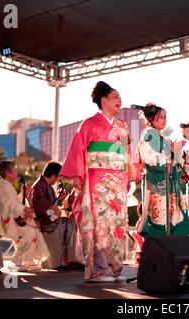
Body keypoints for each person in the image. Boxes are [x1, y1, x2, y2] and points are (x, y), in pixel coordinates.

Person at [59, 81, 140, 282]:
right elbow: (78, 149)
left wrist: (129, 174)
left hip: (118, 180)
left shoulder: (121, 126)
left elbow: (127, 152)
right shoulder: (88, 124)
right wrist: (77, 174)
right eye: (115, 97)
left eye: (119, 97)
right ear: (103, 100)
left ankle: (114, 269)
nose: (119, 101)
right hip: (97, 180)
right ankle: (97, 270)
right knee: (100, 223)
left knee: (118, 224)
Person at [136, 104, 189, 237]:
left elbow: (174, 163)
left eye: (165, 117)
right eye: (160, 117)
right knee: (160, 218)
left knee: (172, 218)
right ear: (150, 118)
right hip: (156, 185)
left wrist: (178, 153)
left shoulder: (165, 139)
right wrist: (172, 151)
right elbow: (150, 159)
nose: (164, 120)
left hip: (170, 186)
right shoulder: (148, 136)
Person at [0, 160, 50, 271]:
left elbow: (12, 203)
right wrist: (24, 208)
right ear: (8, 174)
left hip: (7, 219)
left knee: (33, 230)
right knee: (29, 231)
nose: (16, 174)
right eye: (14, 172)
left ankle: (28, 259)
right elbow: (8, 204)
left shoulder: (5, 186)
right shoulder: (3, 187)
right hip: (3, 222)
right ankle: (18, 258)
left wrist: (23, 194)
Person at [30, 161, 81, 269]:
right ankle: (62, 261)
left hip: (47, 219)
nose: (57, 180)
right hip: (43, 221)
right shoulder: (39, 185)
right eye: (57, 177)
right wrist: (53, 207)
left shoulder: (44, 185)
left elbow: (47, 202)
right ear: (53, 176)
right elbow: (38, 202)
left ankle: (68, 260)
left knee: (70, 223)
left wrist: (58, 197)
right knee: (69, 224)